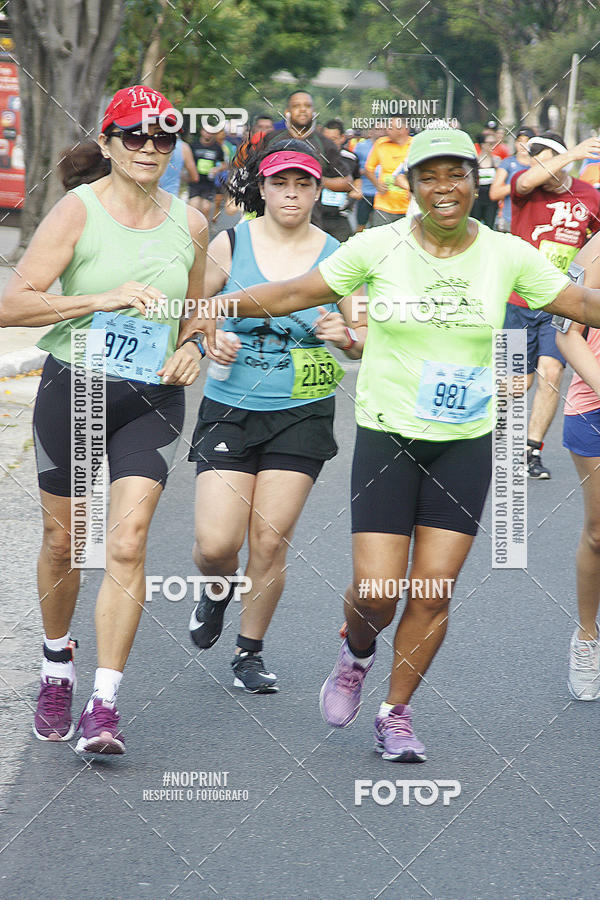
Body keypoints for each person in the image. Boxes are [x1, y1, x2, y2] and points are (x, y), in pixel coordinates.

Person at [181, 126, 600, 762]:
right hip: (388, 437)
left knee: (433, 590)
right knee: (376, 592)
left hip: (463, 442)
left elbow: (577, 300)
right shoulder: (378, 245)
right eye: (428, 175)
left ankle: (395, 713)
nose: (444, 187)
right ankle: (355, 650)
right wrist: (208, 311)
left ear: (473, 181)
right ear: (408, 186)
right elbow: (296, 293)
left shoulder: (506, 254)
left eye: (456, 173)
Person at [0, 85, 208, 756]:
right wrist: (102, 299)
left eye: (163, 138)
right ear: (110, 142)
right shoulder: (77, 211)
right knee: (66, 544)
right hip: (77, 388)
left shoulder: (192, 223)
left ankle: (105, 703)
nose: (150, 148)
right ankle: (58, 662)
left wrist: (193, 349)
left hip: (150, 398)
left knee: (126, 543)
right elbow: (14, 306)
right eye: (136, 136)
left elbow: (197, 313)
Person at [186, 139, 365, 691]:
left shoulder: (338, 252)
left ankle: (249, 652)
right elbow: (191, 313)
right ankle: (217, 590)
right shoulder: (229, 243)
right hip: (230, 408)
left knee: (269, 539)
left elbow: (360, 338)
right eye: (280, 183)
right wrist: (207, 341)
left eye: (303, 184)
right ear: (261, 188)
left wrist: (347, 337)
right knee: (217, 546)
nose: (292, 194)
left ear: (317, 190)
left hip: (302, 411)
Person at [504, 132, 600, 478]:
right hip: (517, 298)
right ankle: (490, 437)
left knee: (551, 371)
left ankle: (531, 449)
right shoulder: (525, 189)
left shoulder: (589, 195)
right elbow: (528, 178)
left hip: (561, 300)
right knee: (517, 382)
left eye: (544, 157)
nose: (537, 164)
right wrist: (572, 152)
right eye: (534, 158)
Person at [556, 234, 600, 700]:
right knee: (598, 532)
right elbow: (565, 334)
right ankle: (587, 637)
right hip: (595, 404)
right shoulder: (594, 252)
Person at [262, 91, 353, 228]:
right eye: (297, 105)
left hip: (312, 223)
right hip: (270, 222)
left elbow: (346, 183)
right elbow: (254, 175)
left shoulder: (326, 144)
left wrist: (313, 180)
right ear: (287, 111)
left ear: (313, 111)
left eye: (307, 105)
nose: (303, 109)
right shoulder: (271, 139)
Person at [364, 117, 412, 226]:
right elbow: (369, 169)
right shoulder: (381, 144)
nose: (386, 130)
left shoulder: (414, 145)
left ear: (404, 129)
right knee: (381, 240)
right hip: (384, 206)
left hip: (408, 207)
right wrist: (377, 184)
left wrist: (412, 190)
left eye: (391, 127)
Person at [319, 119, 361, 241]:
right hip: (318, 214)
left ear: (342, 137)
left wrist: (357, 190)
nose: (329, 144)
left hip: (341, 214)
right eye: (325, 139)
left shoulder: (351, 158)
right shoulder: (315, 156)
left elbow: (357, 178)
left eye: (333, 139)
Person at [489, 126, 534, 231]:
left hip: (530, 222)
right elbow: (494, 194)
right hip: (508, 221)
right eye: (520, 141)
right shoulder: (508, 163)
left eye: (527, 141)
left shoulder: (538, 165)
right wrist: (518, 184)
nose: (523, 145)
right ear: (515, 143)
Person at [188, 126, 227, 218]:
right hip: (195, 182)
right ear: (202, 131)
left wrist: (217, 169)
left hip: (209, 183)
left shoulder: (217, 148)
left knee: (206, 208)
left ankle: (204, 229)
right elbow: (187, 161)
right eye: (206, 131)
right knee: (194, 206)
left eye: (211, 132)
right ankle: (191, 229)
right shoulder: (194, 145)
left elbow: (224, 164)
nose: (208, 134)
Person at [470, 132, 500, 228]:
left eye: (494, 143)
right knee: (475, 224)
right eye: (489, 143)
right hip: (477, 197)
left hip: (491, 198)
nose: (492, 146)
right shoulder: (475, 161)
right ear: (482, 145)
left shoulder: (496, 160)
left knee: (490, 225)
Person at [352, 128, 379, 231]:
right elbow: (353, 167)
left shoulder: (388, 146)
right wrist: (364, 171)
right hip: (365, 192)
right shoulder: (361, 146)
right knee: (361, 224)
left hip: (382, 193)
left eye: (383, 129)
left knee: (379, 227)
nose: (380, 132)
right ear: (371, 131)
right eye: (377, 129)